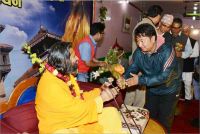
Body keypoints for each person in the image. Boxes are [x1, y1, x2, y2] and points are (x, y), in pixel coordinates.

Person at [35, 41, 124, 134]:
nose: (77, 58)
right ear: (64, 61)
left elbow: (79, 98)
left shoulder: (66, 76)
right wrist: (101, 99)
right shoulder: (50, 85)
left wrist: (100, 91)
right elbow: (73, 112)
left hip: (74, 120)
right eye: (73, 56)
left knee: (111, 113)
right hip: (58, 126)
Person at [117, 23, 179, 133]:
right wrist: (124, 78)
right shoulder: (139, 53)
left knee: (164, 122)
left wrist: (139, 80)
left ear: (153, 38)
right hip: (152, 89)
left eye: (142, 41)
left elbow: (164, 77)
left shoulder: (167, 50)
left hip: (169, 91)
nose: (139, 45)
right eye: (137, 41)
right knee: (149, 119)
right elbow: (133, 67)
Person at [125, 5, 163, 108]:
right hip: (143, 62)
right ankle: (136, 115)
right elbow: (151, 49)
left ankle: (125, 111)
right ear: (158, 16)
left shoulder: (140, 24)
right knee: (140, 94)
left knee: (131, 89)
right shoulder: (149, 27)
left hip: (134, 60)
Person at [170, 18, 193, 100]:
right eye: (173, 27)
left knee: (176, 86)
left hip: (178, 66)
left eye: (177, 28)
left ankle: (174, 102)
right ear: (171, 27)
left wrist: (182, 54)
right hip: (164, 66)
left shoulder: (185, 38)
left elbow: (190, 51)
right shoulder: (165, 35)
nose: (175, 30)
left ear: (180, 28)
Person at [181, 24, 199, 101]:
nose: (185, 33)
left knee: (187, 83)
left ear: (189, 32)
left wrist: (185, 54)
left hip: (188, 65)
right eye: (184, 31)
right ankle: (179, 97)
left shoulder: (194, 42)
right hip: (178, 65)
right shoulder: (178, 40)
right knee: (178, 83)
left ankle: (188, 98)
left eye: (187, 31)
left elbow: (196, 54)